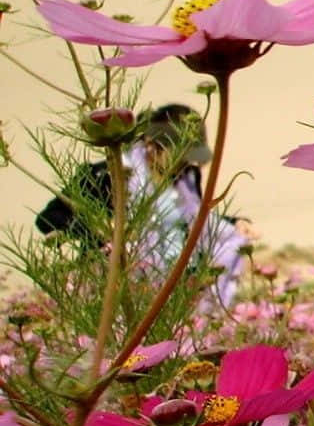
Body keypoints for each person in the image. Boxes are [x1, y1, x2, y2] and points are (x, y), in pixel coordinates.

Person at [35, 104, 245, 307]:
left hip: (176, 289)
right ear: (151, 146)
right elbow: (49, 218)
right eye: (180, 157)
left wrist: (234, 223)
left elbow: (193, 216)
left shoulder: (187, 176)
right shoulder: (109, 175)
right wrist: (100, 228)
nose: (186, 165)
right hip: (119, 290)